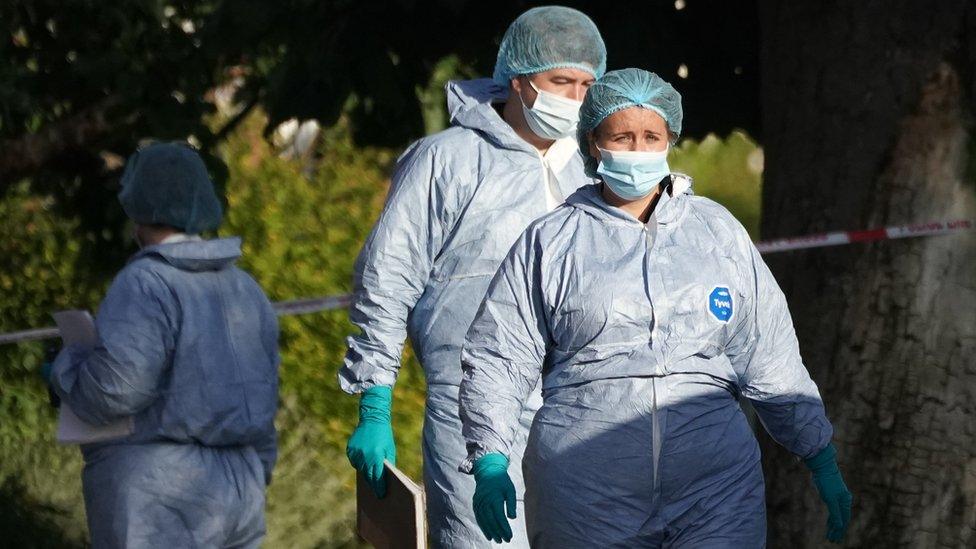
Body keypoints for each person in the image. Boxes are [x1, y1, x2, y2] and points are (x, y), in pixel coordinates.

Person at [458, 68, 853, 547]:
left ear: (670, 140)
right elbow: (500, 357)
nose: (638, 150)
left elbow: (770, 356)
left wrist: (820, 456)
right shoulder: (552, 241)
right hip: (587, 489)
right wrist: (491, 458)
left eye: (651, 136)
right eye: (621, 137)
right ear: (592, 143)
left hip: (715, 489)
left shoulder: (716, 232)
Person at [339, 6, 606, 547]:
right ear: (519, 78)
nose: (575, 99)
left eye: (586, 84)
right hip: (474, 414)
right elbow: (387, 279)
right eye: (561, 81)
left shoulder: (593, 169)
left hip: (585, 412)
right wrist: (374, 402)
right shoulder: (448, 160)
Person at [45, 142, 280, 548]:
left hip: (160, 494)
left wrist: (65, 371)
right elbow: (263, 396)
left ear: (137, 206)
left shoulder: (146, 284)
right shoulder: (246, 288)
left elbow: (115, 390)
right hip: (239, 485)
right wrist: (255, 476)